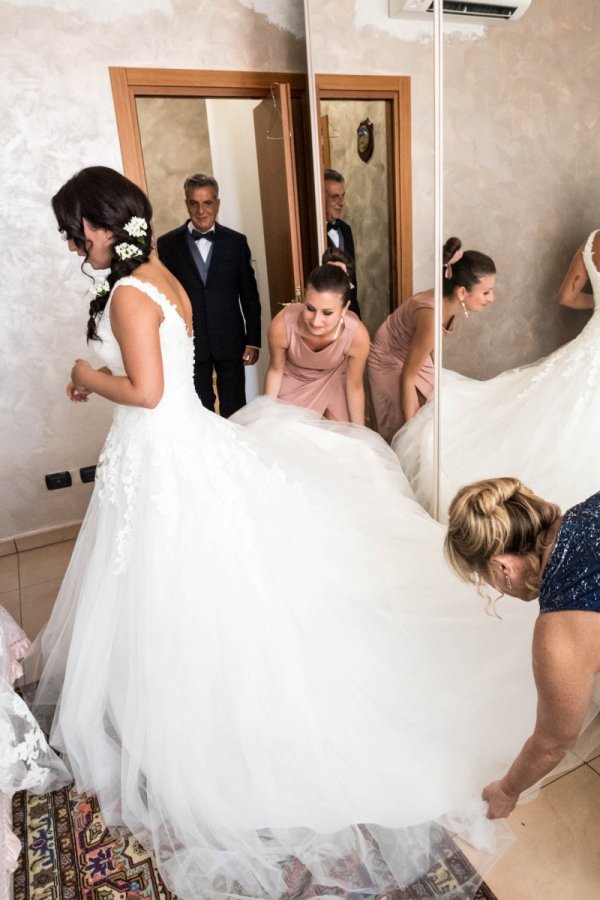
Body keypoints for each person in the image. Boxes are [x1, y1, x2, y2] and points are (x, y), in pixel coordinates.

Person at [34, 165, 553, 900]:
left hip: (159, 454)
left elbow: (146, 393)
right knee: (185, 575)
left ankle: (187, 701)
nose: (71, 243)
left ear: (100, 225)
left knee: (167, 575)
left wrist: (87, 373)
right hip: (183, 444)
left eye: (74, 230)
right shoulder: (164, 277)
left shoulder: (125, 292)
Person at [394, 230, 600, 519]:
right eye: (487, 292)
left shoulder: (590, 241)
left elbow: (567, 296)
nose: (491, 297)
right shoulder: (429, 312)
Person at [445, 477, 600, 819]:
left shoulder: (559, 627)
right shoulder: (585, 513)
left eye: (487, 579)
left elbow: (553, 742)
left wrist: (506, 790)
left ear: (502, 566)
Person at [367, 238, 496, 443]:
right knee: (405, 428)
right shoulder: (432, 315)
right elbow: (408, 376)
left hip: (410, 351)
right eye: (486, 292)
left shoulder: (450, 302)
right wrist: (411, 433)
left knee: (438, 404)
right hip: (387, 359)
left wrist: (437, 378)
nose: (491, 298)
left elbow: (430, 345)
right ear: (462, 292)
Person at [157, 173, 261, 417]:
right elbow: (163, 298)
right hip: (191, 341)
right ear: (186, 204)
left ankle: (235, 454)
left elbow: (249, 295)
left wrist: (253, 339)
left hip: (230, 339)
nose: (201, 210)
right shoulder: (167, 245)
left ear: (217, 204)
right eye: (194, 203)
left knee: (235, 410)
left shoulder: (236, 243)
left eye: (207, 203)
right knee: (198, 411)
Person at [263, 261, 370, 424]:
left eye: (327, 313)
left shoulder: (357, 335)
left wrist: (360, 432)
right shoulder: (281, 325)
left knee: (343, 440)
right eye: (310, 309)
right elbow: (275, 371)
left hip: (334, 381)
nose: (316, 321)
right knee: (288, 437)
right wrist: (267, 416)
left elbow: (354, 386)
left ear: (345, 308)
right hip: (294, 382)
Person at [324, 168, 361, 317]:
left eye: (343, 196)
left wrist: (354, 311)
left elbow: (352, 275)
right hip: (327, 313)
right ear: (321, 198)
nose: (341, 203)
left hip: (350, 308)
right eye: (334, 197)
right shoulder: (313, 232)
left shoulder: (346, 229)